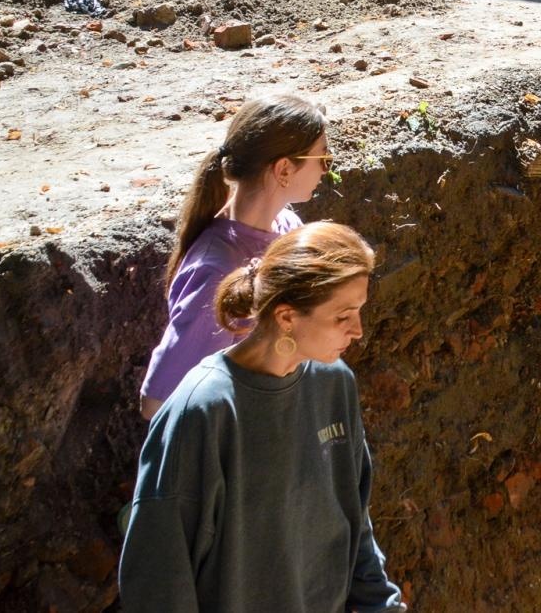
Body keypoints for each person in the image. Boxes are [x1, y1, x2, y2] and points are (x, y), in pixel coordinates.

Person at [119, 222, 405, 612]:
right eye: (344, 316)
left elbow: (353, 519)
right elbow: (157, 578)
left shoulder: (334, 384)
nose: (358, 330)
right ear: (287, 317)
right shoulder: (202, 410)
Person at [139, 93, 332, 419]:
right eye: (323, 159)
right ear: (284, 168)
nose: (326, 171)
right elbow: (158, 403)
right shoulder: (217, 272)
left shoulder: (287, 227)